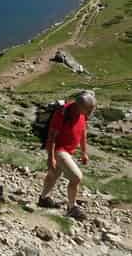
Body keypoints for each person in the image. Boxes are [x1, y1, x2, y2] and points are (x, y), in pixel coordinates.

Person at [38, 91, 96, 220]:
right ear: (80, 106)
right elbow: (52, 137)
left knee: (54, 175)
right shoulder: (62, 113)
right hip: (59, 149)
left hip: (68, 150)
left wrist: (84, 152)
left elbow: (83, 132)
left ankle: (43, 199)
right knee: (76, 177)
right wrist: (51, 158)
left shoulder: (82, 114)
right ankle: (71, 208)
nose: (90, 112)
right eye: (88, 109)